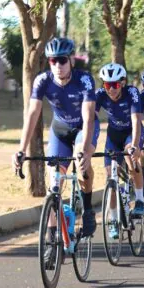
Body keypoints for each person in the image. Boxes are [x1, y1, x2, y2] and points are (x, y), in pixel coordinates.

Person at [12, 37, 99, 238]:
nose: (57, 65)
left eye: (62, 60)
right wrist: (21, 150)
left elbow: (88, 118)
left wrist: (85, 150)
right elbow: (32, 114)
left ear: (71, 61)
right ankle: (52, 238)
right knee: (54, 184)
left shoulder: (84, 80)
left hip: (83, 129)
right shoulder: (42, 80)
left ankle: (87, 209)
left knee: (82, 163)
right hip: (59, 130)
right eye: (52, 61)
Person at [96, 62, 144, 239]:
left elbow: (136, 120)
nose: (111, 89)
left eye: (115, 84)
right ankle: (113, 220)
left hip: (132, 132)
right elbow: (89, 117)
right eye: (107, 85)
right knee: (111, 178)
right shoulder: (100, 95)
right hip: (113, 135)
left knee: (131, 159)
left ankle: (139, 199)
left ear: (122, 83)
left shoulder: (132, 93)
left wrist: (135, 145)